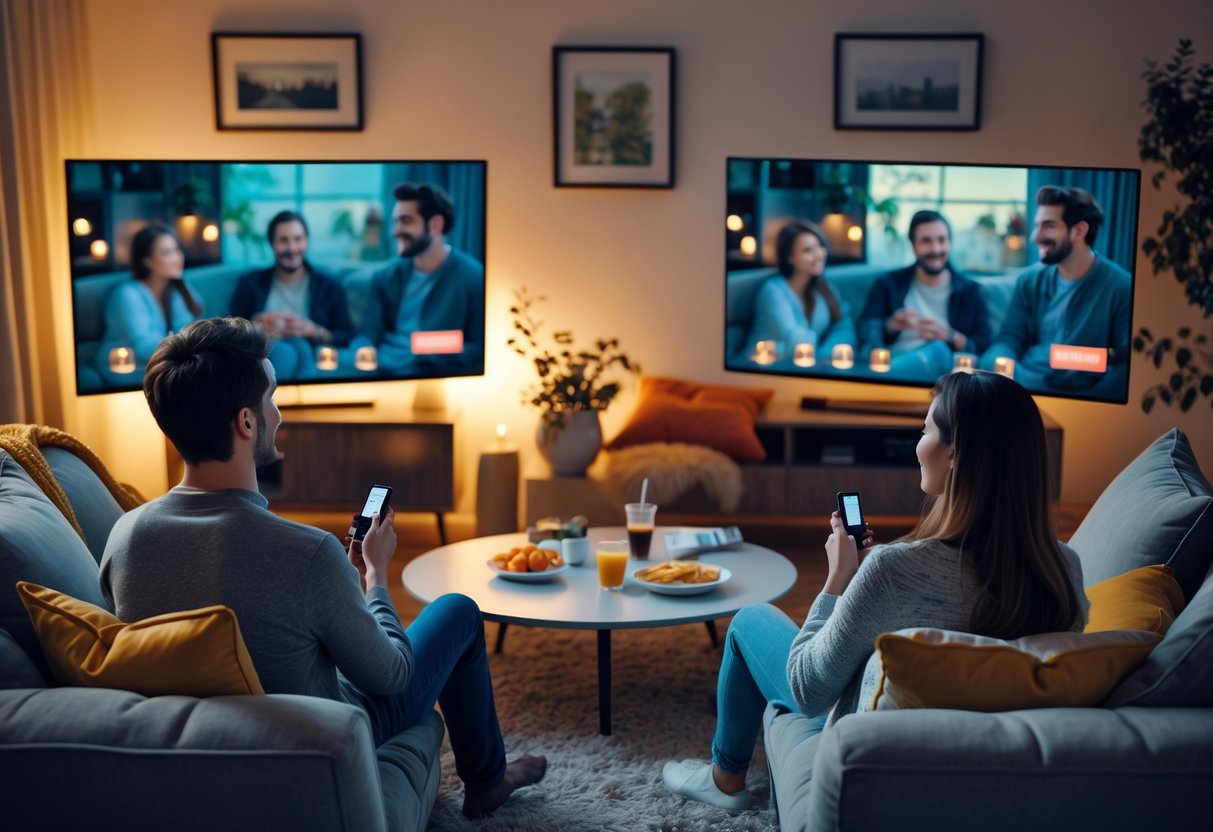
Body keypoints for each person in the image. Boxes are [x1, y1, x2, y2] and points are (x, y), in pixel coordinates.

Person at [98, 317, 545, 819]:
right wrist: (375, 575)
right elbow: (392, 676)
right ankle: (488, 781)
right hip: (317, 732)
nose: (280, 413)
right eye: (272, 397)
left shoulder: (125, 536)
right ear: (247, 422)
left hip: (195, 745)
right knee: (459, 610)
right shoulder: (306, 551)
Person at [662, 370, 1088, 811]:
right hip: (984, 758)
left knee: (750, 620)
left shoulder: (893, 570)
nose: (918, 443)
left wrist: (838, 581)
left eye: (925, 430)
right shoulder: (1063, 570)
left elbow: (808, 689)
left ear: (954, 455)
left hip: (870, 744)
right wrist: (871, 579)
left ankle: (724, 779)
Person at [980, 186, 1132, 396]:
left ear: (1079, 231)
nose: (1035, 237)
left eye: (1048, 226)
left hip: (1079, 399)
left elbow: (1126, 367)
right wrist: (1001, 366)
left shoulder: (1122, 288)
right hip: (1021, 388)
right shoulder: (1029, 281)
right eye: (1036, 226)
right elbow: (1009, 337)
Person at [350, 182, 484, 374]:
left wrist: (424, 354)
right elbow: (367, 334)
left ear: (435, 224)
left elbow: (478, 349)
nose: (395, 231)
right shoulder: (385, 277)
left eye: (406, 221)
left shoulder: (474, 277)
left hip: (430, 372)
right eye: (395, 221)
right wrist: (364, 351)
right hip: (381, 366)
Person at [858, 210, 991, 380]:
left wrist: (951, 336)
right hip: (896, 359)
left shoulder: (971, 291)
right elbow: (864, 331)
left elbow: (985, 344)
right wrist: (890, 325)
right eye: (926, 241)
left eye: (942, 240)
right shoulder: (888, 284)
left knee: (939, 350)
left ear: (949, 243)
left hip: (944, 375)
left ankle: (877, 380)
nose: (936, 249)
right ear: (913, 245)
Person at [229, 210, 353, 380]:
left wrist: (314, 331)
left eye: (298, 239)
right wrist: (255, 325)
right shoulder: (250, 283)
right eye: (283, 240)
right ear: (272, 243)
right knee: (288, 351)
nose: (292, 248)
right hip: (266, 349)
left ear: (306, 241)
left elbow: (346, 335)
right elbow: (229, 329)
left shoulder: (329, 286)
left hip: (307, 348)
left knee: (299, 347)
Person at [94, 224, 203, 385]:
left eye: (177, 250)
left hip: (162, 367)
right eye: (167, 252)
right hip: (127, 369)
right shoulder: (126, 295)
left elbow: (189, 331)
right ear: (147, 261)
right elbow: (143, 347)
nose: (177, 258)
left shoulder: (177, 288)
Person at [742, 219, 856, 363]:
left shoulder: (823, 288)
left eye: (820, 246)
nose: (819, 254)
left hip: (804, 368)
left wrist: (824, 353)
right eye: (807, 250)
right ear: (790, 258)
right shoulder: (773, 291)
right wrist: (825, 356)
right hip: (759, 370)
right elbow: (797, 342)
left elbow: (844, 327)